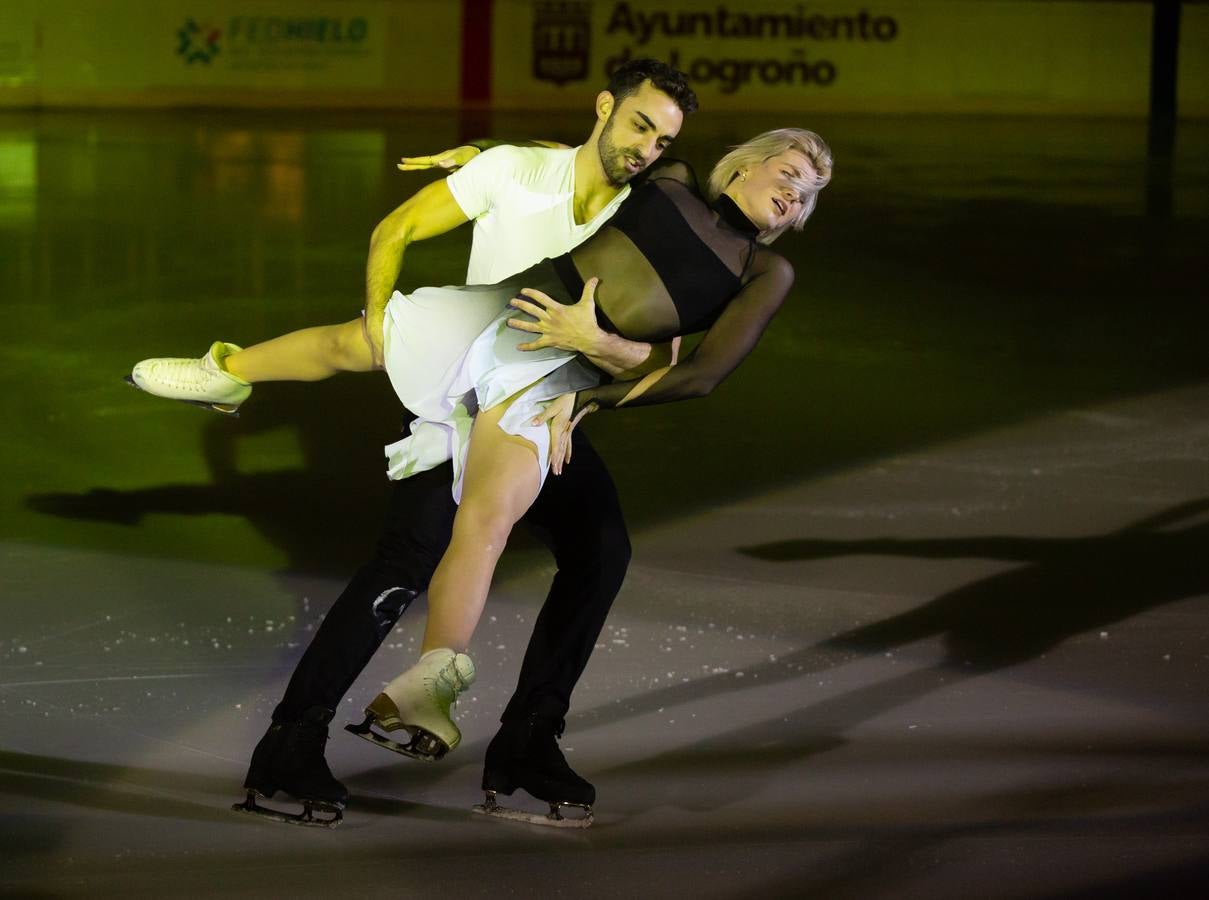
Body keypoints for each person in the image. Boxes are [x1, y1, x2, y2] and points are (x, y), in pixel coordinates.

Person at [135, 125, 832, 825]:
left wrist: (589, 379)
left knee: (591, 549)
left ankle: (520, 740)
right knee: (397, 507)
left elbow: (693, 373)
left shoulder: (761, 270)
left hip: (554, 387)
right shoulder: (664, 180)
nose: (796, 191)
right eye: (791, 170)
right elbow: (581, 159)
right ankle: (292, 739)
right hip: (492, 325)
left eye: (808, 192)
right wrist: (492, 155)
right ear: (746, 164)